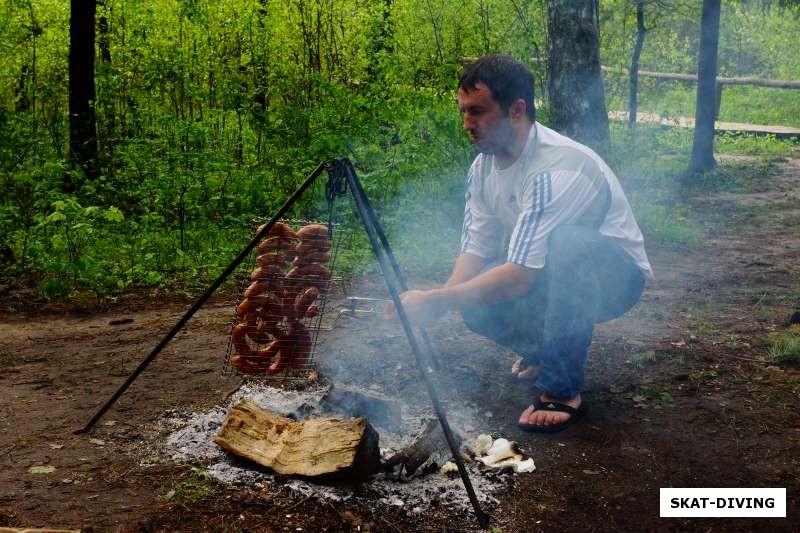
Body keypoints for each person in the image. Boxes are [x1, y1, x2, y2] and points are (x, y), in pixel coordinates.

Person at [384, 54, 653, 433]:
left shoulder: (556, 168)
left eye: (477, 112)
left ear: (516, 109)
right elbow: (477, 246)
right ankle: (548, 353)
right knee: (473, 301)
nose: (467, 124)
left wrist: (435, 300)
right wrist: (441, 299)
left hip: (612, 277)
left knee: (568, 243)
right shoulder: (483, 168)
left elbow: (519, 279)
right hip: (553, 276)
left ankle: (562, 389)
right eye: (463, 112)